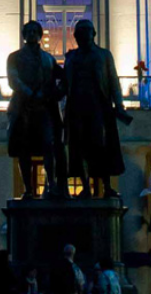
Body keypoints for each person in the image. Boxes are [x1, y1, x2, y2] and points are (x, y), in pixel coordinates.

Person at [63, 19, 133, 199]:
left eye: (86, 31)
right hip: (76, 107)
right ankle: (85, 187)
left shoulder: (103, 55)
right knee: (79, 148)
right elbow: (63, 82)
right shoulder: (71, 57)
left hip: (99, 106)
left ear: (93, 34)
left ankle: (106, 187)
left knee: (102, 146)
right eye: (79, 32)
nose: (83, 35)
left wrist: (119, 105)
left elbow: (113, 81)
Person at [7, 21, 68, 199]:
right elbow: (13, 79)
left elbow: (63, 76)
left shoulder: (48, 58)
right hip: (23, 106)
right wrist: (31, 93)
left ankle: (52, 184)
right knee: (23, 149)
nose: (32, 34)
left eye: (35, 31)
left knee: (49, 145)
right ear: (24, 35)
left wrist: (59, 92)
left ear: (40, 35)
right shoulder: (15, 57)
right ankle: (27, 189)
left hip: (45, 108)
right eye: (29, 31)